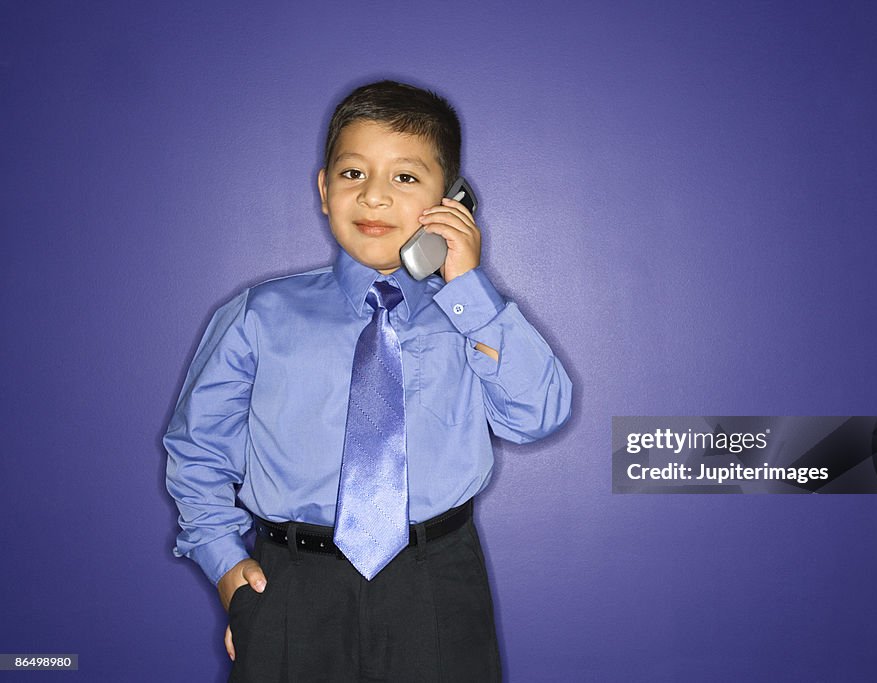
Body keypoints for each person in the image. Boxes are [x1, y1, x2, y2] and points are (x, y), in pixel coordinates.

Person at [164, 80, 572, 681]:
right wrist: (225, 563)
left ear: (452, 201)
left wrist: (470, 291)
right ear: (324, 190)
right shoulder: (259, 315)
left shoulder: (470, 318)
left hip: (434, 580)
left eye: (405, 178)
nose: (375, 197)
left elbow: (537, 414)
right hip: (293, 584)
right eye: (353, 174)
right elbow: (196, 448)